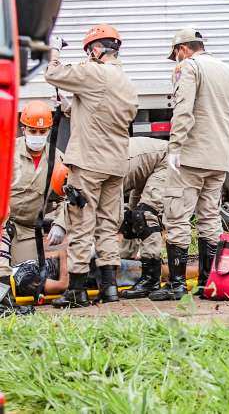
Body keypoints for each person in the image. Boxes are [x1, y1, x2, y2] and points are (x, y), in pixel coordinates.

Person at [149, 28, 229, 301]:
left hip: (191, 158)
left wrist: (175, 145)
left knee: (177, 216)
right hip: (219, 159)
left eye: (176, 55)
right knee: (210, 217)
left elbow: (183, 109)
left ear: (183, 49)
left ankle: (177, 285)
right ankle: (208, 282)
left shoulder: (189, 68)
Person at [44, 24, 139, 308]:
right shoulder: (125, 81)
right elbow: (99, 110)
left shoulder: (93, 72)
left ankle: (77, 290)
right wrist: (67, 107)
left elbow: (53, 73)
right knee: (108, 226)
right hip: (115, 163)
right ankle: (109, 289)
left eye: (89, 51)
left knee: (81, 224)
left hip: (88, 163)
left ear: (96, 50)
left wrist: (55, 49)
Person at [0, 100, 68, 316]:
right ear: (23, 129)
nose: (37, 135)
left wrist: (60, 223)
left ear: (49, 131)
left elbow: (68, 197)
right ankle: (3, 302)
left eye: (42, 131)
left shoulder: (56, 158)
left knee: (28, 278)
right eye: (32, 130)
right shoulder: (7, 151)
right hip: (3, 224)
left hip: (29, 230)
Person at [119, 137, 168, 299]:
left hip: (165, 160)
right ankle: (126, 258)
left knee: (145, 215)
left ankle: (151, 278)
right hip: (145, 164)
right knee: (129, 217)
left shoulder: (104, 174)